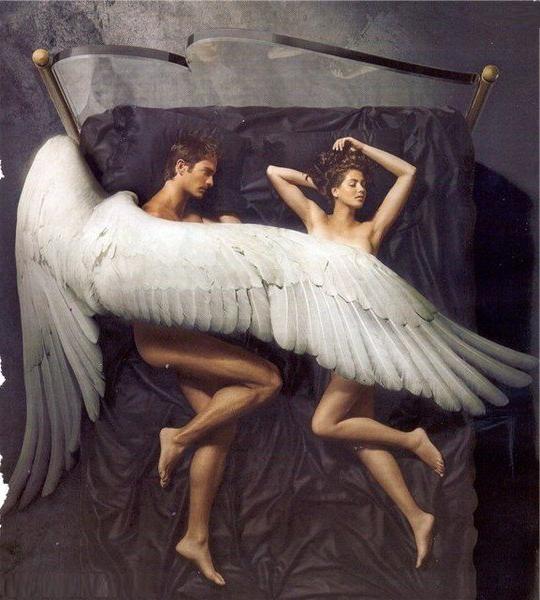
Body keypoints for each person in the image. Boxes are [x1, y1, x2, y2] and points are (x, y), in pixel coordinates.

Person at [266, 136, 444, 569]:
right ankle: (417, 516)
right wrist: (323, 180)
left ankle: (412, 439)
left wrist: (362, 147)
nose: (362, 189)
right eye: (353, 183)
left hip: (367, 340)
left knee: (324, 423)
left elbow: (408, 173)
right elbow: (274, 173)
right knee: (361, 436)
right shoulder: (315, 218)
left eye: (364, 183)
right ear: (335, 189)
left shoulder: (371, 230)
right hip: (334, 343)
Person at [133, 134, 282, 586]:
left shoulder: (187, 217)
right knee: (268, 380)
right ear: (181, 168)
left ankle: (195, 537)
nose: (211, 181)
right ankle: (177, 439)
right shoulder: (149, 219)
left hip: (185, 336)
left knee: (222, 427)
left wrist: (226, 229)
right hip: (163, 340)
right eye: (206, 172)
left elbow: (223, 243)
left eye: (214, 173)